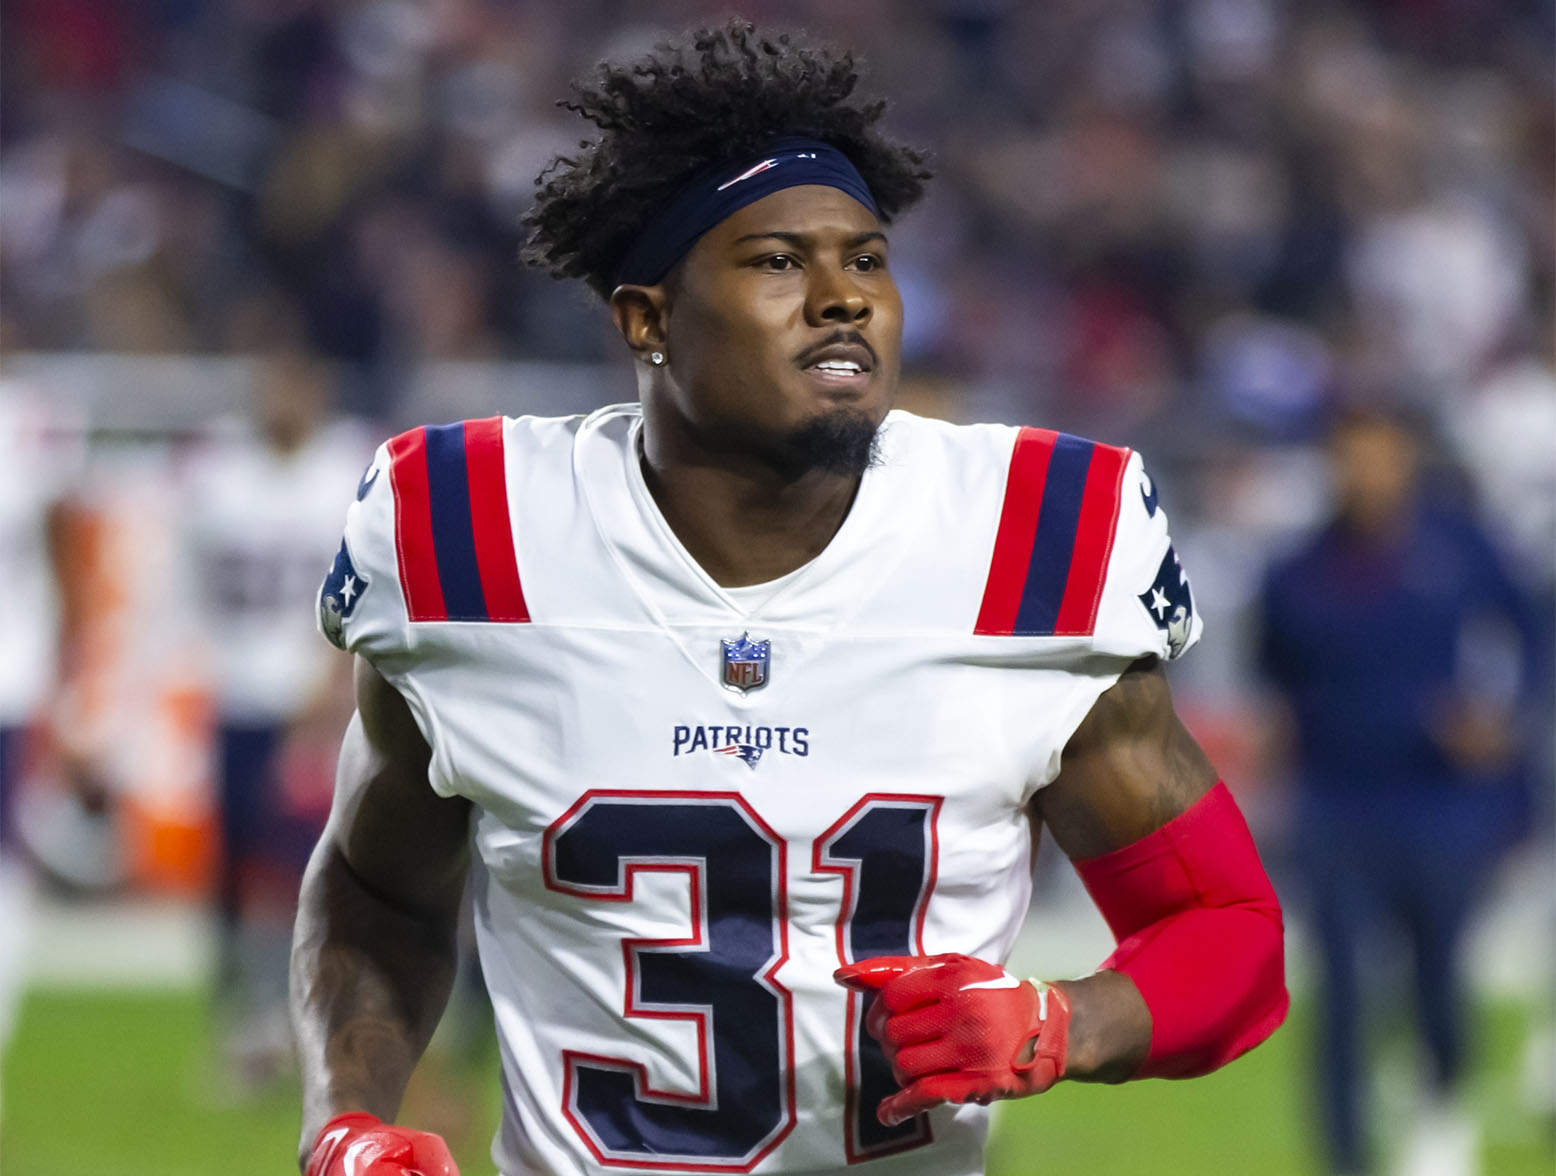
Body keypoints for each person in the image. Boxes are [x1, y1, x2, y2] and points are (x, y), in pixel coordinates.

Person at [291, 22, 1288, 1176]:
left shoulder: (1031, 538)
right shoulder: (470, 535)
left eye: (865, 259)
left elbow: (1228, 937)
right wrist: (347, 1120)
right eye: (776, 261)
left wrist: (1066, 1023)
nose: (840, 299)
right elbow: (375, 892)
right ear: (646, 317)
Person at [1258, 405, 1540, 1176]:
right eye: (1349, 456)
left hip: (1439, 803)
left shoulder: (1456, 546)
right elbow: (1274, 675)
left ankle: (1442, 1108)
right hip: (1336, 806)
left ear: (1407, 460)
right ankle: (1344, 1156)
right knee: (1342, 994)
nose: (1365, 473)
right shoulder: (1296, 570)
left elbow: (1533, 624)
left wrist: (1506, 718)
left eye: (1379, 455)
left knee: (1440, 978)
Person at [182, 345, 366, 1088]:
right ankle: (243, 1019)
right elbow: (190, 583)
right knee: (235, 865)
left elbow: (372, 580)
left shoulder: (349, 466)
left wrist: (335, 680)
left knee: (317, 867)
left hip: (321, 705)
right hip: (240, 696)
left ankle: (320, 1020)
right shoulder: (216, 472)